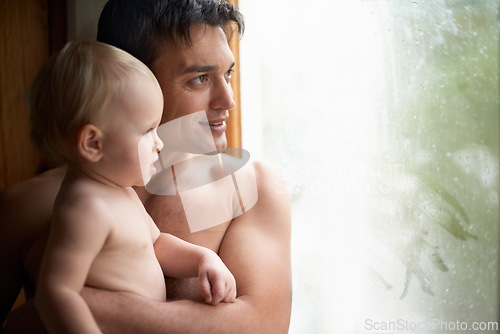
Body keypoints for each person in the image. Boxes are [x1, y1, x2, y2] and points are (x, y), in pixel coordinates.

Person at [1, 0, 292, 333]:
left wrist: (84, 305)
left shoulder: (249, 188)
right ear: (130, 77)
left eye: (227, 74)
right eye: (200, 78)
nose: (228, 101)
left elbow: (263, 325)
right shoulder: (27, 206)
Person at [31, 40, 236, 334]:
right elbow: (57, 293)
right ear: (93, 143)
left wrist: (203, 259)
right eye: (147, 131)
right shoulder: (86, 208)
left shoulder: (118, 190)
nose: (159, 142)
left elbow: (156, 244)